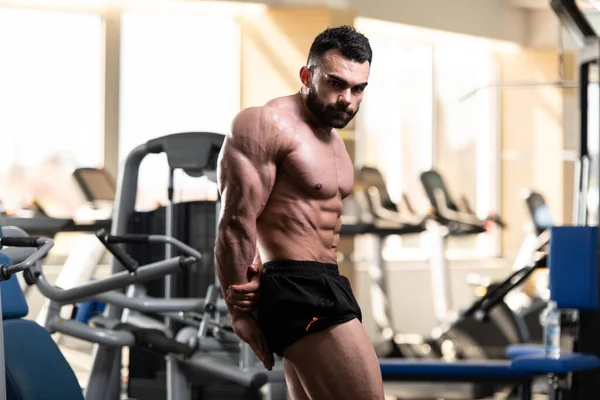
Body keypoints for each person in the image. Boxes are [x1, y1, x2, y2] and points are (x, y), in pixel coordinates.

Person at [214, 25, 384, 399]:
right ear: (307, 75)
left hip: (325, 281)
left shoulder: (333, 138)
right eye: (336, 83)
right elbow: (236, 222)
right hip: (297, 287)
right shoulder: (267, 124)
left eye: (358, 89)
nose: (347, 99)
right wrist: (239, 313)